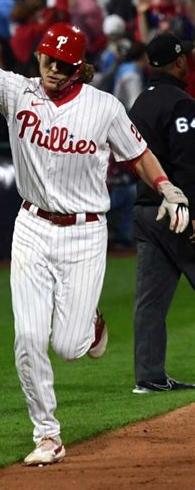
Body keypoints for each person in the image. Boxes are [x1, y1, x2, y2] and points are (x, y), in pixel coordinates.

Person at [0, 0, 190, 465]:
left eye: (63, 64)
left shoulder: (103, 107)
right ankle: (47, 434)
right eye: (47, 61)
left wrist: (167, 187)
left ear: (80, 67)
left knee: (71, 346)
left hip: (84, 234)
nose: (53, 71)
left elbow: (138, 152)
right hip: (32, 227)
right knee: (28, 338)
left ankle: (91, 326)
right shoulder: (18, 92)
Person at [129, 32, 195, 394]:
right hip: (177, 212)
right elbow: (188, 166)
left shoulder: (140, 103)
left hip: (144, 210)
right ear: (180, 61)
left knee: (150, 300)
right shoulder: (182, 103)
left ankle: (149, 376)